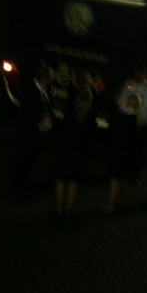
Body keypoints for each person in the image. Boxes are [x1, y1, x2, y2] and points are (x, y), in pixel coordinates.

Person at [53, 70, 97, 217]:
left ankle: (59, 209)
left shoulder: (69, 108)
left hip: (65, 146)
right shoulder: (91, 113)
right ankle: (68, 210)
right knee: (73, 181)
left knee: (61, 178)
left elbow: (61, 124)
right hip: (80, 149)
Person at [10, 65, 56, 198]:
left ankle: (24, 183)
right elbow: (26, 113)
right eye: (51, 78)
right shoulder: (31, 91)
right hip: (28, 133)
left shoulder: (44, 91)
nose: (52, 81)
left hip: (36, 133)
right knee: (23, 159)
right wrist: (41, 117)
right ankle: (18, 187)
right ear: (45, 78)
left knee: (30, 160)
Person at [103, 92, 143, 214]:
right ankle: (119, 201)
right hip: (127, 155)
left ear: (129, 103)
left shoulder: (126, 119)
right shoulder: (136, 118)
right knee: (120, 179)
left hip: (119, 154)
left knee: (114, 179)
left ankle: (111, 205)